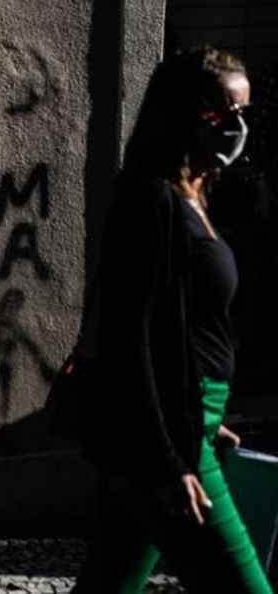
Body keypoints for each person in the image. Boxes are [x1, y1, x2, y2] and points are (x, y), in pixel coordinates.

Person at [74, 46, 272, 593]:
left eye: (242, 114)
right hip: (166, 442)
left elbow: (186, 331)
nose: (235, 128)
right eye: (221, 113)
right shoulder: (150, 203)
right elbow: (132, 341)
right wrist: (169, 458)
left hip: (187, 422)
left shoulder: (194, 200)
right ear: (180, 115)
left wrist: (207, 419)